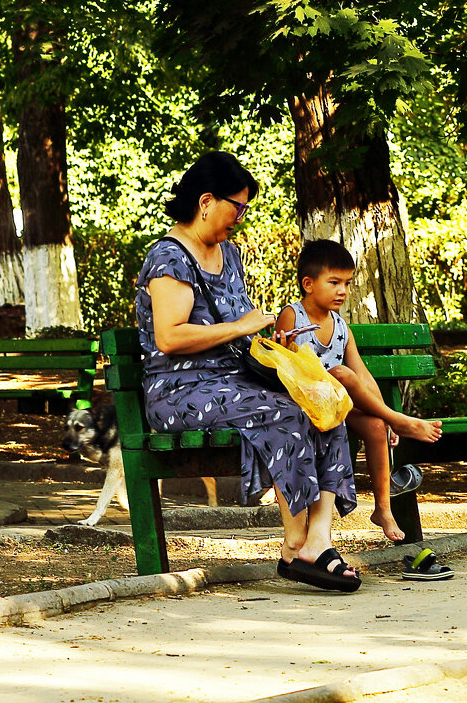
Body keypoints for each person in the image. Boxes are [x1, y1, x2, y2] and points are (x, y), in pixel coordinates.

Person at [135, 152, 360, 592]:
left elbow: (238, 330)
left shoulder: (228, 254)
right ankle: (295, 545)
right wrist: (239, 327)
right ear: (205, 200)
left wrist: (273, 344)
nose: (240, 217)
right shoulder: (169, 258)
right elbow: (169, 338)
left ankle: (318, 540)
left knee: (324, 400)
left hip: (235, 382)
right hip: (181, 391)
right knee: (286, 413)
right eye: (236, 206)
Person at [276, 239, 443, 543]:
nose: (342, 290)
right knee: (340, 373)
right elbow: (290, 369)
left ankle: (383, 509)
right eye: (334, 282)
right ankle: (399, 419)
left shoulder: (341, 326)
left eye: (347, 283)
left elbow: (363, 375)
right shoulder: (293, 316)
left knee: (376, 424)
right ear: (308, 284)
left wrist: (378, 408)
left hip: (339, 406)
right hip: (305, 406)